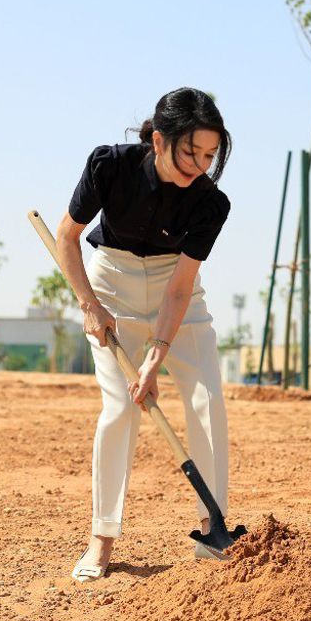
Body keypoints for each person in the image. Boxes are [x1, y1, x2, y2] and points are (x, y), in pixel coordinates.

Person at [53, 87, 235, 581]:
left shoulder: (210, 204)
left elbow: (179, 291)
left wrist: (158, 354)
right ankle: (102, 539)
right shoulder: (108, 166)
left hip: (176, 291)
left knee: (206, 399)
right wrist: (90, 305)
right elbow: (66, 239)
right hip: (109, 284)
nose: (199, 164)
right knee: (120, 408)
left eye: (209, 155)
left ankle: (214, 530)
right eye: (190, 151)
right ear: (158, 140)